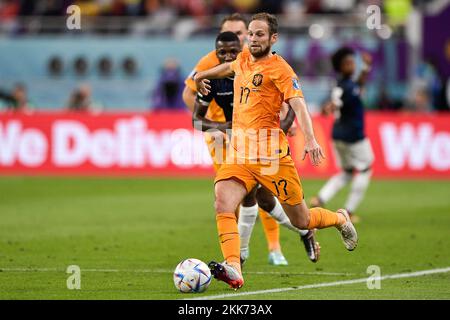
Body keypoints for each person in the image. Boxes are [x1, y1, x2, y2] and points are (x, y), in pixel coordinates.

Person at [195, 13, 357, 289]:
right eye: (251, 33)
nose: (253, 39)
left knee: (302, 219)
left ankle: (340, 219)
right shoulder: (244, 57)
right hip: (240, 153)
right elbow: (229, 68)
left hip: (271, 156)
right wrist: (202, 75)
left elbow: (299, 104)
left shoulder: (281, 69)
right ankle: (234, 265)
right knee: (222, 201)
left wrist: (311, 139)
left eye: (260, 34)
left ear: (273, 38)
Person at [184, 13, 318, 266]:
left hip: (264, 143)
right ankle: (241, 256)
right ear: (216, 47)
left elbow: (289, 105)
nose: (229, 52)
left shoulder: (256, 63)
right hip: (230, 143)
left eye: (239, 36)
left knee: (265, 198)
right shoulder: (212, 67)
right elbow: (193, 109)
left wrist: (283, 129)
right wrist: (224, 128)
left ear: (243, 38)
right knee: (239, 199)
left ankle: (285, 241)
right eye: (223, 47)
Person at [310, 47, 375, 223]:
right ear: (340, 67)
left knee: (346, 172)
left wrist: (365, 69)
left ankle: (320, 198)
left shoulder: (343, 84)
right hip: (353, 135)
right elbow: (337, 101)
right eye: (348, 63)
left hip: (337, 135)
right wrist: (327, 108)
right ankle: (349, 210)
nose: (352, 64)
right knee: (366, 168)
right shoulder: (346, 87)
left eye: (353, 61)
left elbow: (357, 86)